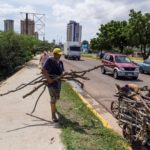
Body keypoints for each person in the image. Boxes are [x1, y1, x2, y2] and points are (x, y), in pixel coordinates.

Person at [42, 48, 64, 122]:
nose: (60, 56)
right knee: (53, 98)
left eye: (60, 54)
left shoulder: (60, 62)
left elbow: (62, 72)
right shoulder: (49, 60)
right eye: (59, 54)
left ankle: (54, 108)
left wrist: (63, 75)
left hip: (58, 83)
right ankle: (53, 115)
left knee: (57, 97)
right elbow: (43, 70)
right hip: (51, 84)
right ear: (54, 54)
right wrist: (49, 79)